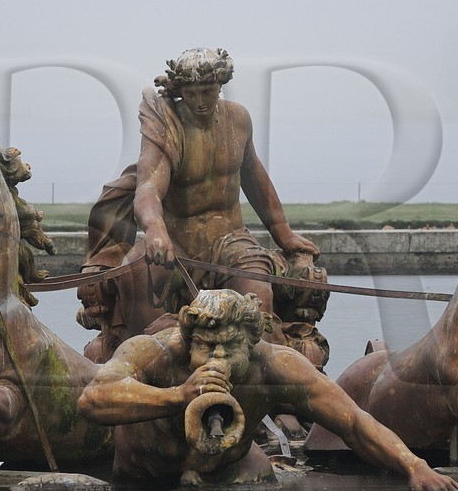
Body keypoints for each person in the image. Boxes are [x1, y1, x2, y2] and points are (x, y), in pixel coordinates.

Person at [77, 289, 458, 491]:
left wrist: (413, 465)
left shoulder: (278, 364)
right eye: (207, 347)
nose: (218, 358)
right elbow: (94, 398)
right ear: (187, 339)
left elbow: (354, 422)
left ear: (253, 343)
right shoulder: (156, 350)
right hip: (144, 478)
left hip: (225, 475)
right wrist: (178, 395)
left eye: (230, 348)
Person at [134, 48, 319, 335]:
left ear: (220, 85)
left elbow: (254, 177)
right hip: (177, 243)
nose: (199, 102)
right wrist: (155, 228)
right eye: (190, 93)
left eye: (207, 92)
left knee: (257, 294)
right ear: (180, 90)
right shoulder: (167, 125)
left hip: (231, 241)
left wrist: (284, 232)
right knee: (141, 278)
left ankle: (264, 365)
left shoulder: (238, 119)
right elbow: (148, 186)